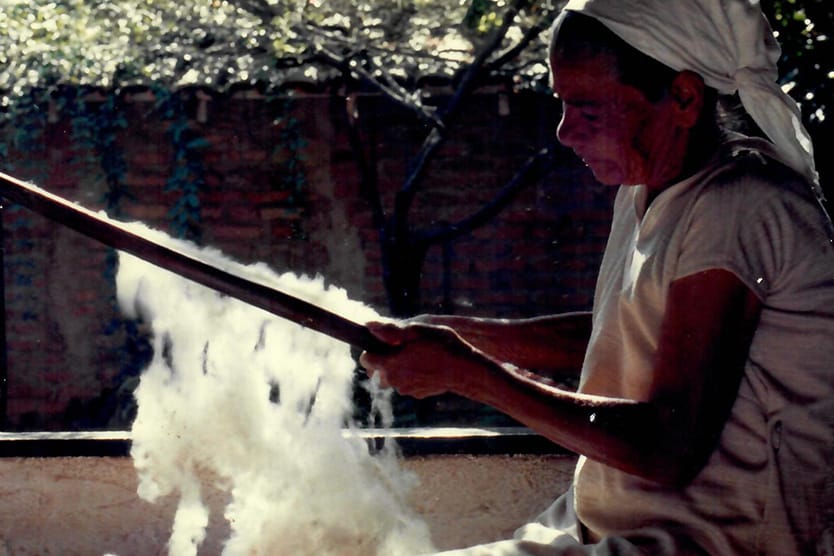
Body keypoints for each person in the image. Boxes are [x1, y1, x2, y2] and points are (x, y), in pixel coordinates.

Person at [359, 1, 834, 555]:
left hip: (715, 543)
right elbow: (636, 331)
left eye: (587, 108)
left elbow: (668, 445)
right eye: (562, 105)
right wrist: (459, 335)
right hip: (616, 523)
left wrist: (470, 375)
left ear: (682, 97)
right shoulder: (647, 190)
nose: (563, 132)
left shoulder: (740, 206)